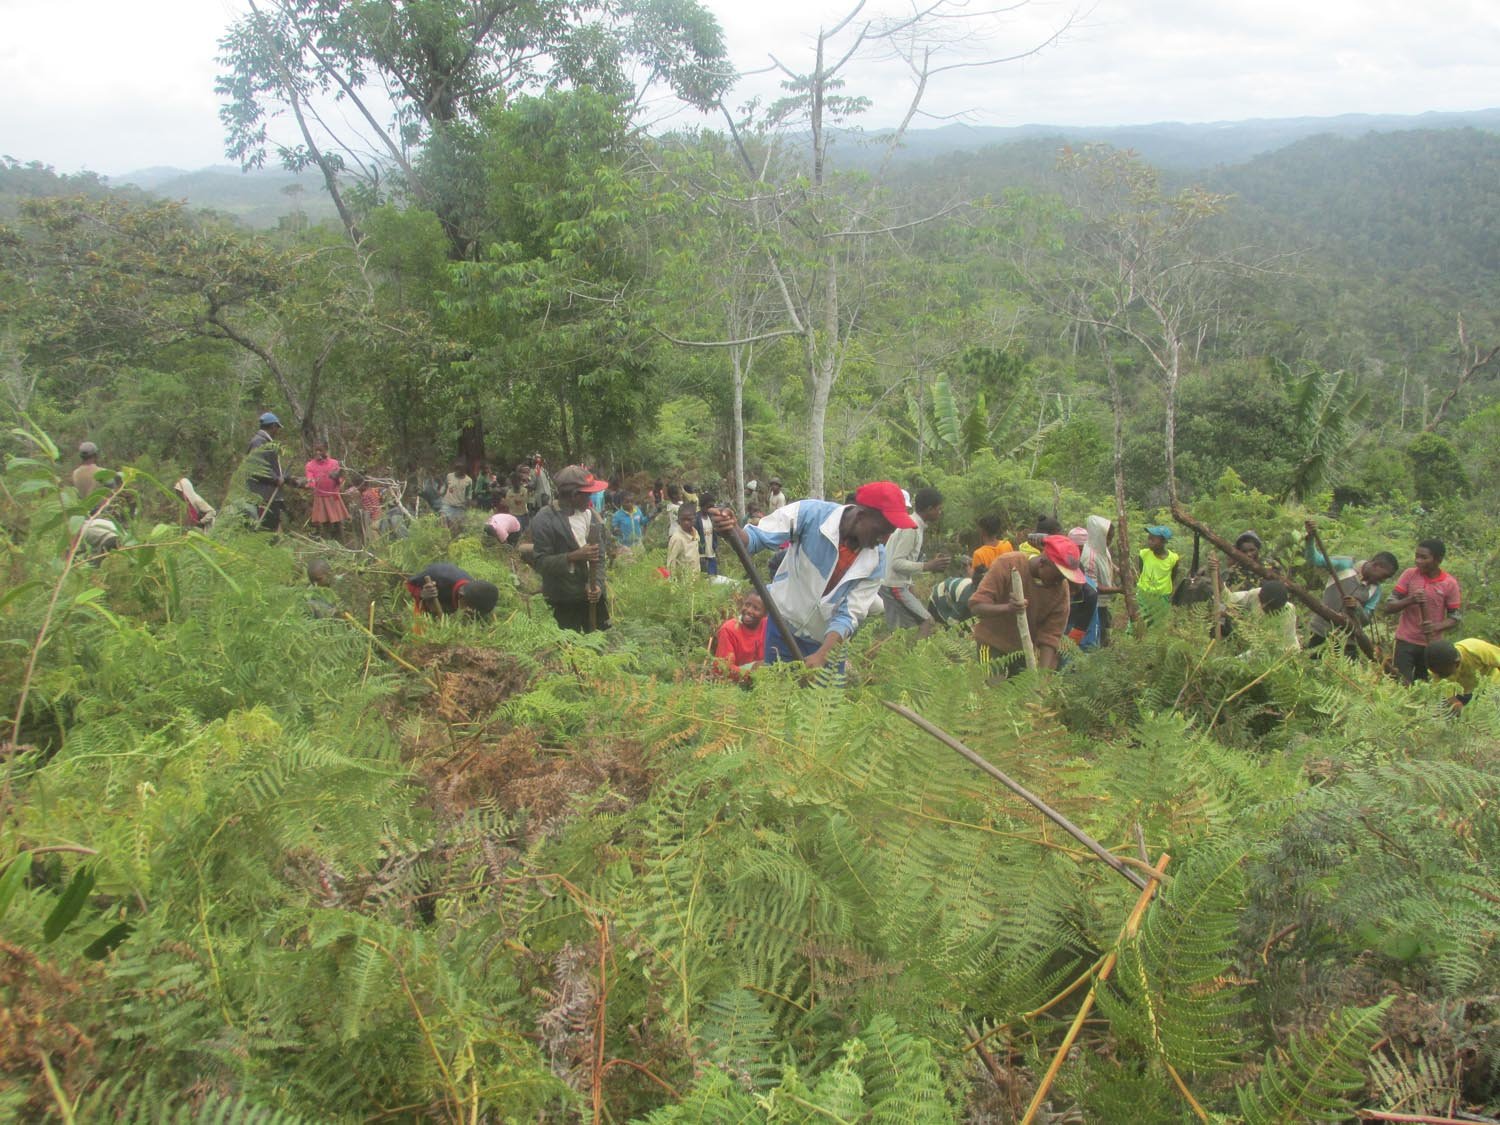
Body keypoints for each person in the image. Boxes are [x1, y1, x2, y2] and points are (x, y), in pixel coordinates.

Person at [708, 481, 913, 669]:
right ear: (861, 516)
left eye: (890, 533)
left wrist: (822, 655)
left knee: (822, 705)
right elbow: (755, 538)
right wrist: (732, 528)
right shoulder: (809, 514)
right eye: (882, 530)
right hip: (782, 628)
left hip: (828, 643)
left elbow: (850, 614)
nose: (885, 539)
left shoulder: (876, 559)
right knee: (777, 695)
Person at [968, 535, 1085, 674]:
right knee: (993, 692)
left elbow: (1051, 636)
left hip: (1024, 651)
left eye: (1064, 578)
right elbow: (976, 606)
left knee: (1025, 692)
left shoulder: (1061, 589)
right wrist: (1008, 608)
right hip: (989, 644)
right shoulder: (1008, 564)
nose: (1060, 582)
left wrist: (1042, 676)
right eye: (1058, 576)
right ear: (1042, 563)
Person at [530, 464, 611, 632]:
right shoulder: (544, 520)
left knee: (599, 644)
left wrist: (596, 584)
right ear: (574, 495)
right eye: (587, 494)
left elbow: (600, 556)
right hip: (564, 600)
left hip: (593, 599)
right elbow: (540, 563)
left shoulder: (591, 515)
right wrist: (573, 556)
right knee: (571, 650)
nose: (590, 499)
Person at [1303, 522, 1397, 659]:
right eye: (1385, 576)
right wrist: (1310, 539)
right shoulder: (1344, 565)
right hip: (1321, 630)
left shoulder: (1375, 590)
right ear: (1376, 565)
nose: (1384, 580)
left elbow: (1366, 620)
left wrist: (1357, 607)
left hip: (1347, 639)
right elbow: (1314, 560)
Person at [1382, 539, 1462, 683]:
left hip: (1431, 646)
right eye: (1417, 556)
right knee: (1400, 683)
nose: (1418, 561)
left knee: (1424, 685)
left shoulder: (1449, 584)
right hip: (1405, 641)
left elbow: (1455, 618)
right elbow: (1389, 606)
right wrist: (1410, 600)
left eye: (1424, 557)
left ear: (1438, 559)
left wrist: (1435, 627)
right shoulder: (1409, 574)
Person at [880, 487, 951, 633]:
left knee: (901, 631)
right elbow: (897, 563)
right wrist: (928, 566)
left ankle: (903, 654)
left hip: (894, 584)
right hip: (894, 585)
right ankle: (916, 655)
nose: (940, 512)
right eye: (938, 509)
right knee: (926, 622)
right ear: (929, 509)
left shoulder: (914, 525)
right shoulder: (911, 528)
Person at [1426, 638, 1500, 713]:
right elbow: (1448, 695)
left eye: (1444, 674)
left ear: (1457, 663)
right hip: (1467, 692)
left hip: (1493, 685)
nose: (1440, 676)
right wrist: (1459, 707)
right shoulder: (1437, 670)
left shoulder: (1475, 649)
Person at [404, 563, 500, 618]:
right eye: (469, 611)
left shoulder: (475, 592)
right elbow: (407, 586)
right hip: (425, 602)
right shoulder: (438, 577)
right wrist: (421, 594)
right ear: (461, 596)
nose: (469, 616)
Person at [1226, 580, 1299, 651]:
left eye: (1271, 608)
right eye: (1262, 602)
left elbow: (1268, 648)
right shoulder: (1257, 594)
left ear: (1280, 607)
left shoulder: (1287, 613)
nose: (1264, 607)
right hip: (1253, 646)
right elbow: (1230, 598)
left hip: (1283, 653)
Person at [246, 412, 290, 531]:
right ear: (273, 426)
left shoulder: (265, 442)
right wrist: (276, 479)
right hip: (263, 495)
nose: (277, 431)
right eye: (277, 428)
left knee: (274, 526)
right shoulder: (258, 442)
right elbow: (257, 466)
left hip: (270, 493)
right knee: (267, 529)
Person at [713, 593, 769, 680]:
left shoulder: (767, 624)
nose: (749, 610)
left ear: (765, 614)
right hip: (734, 679)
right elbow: (723, 667)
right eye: (747, 605)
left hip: (760, 674)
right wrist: (752, 676)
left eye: (756, 608)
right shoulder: (729, 629)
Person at [304, 441, 349, 540]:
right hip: (320, 498)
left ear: (326, 450)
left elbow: (341, 479)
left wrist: (337, 479)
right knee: (325, 525)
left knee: (338, 523)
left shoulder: (334, 463)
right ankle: (328, 546)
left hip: (334, 497)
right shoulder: (310, 465)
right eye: (316, 450)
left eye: (320, 450)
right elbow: (310, 479)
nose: (318, 453)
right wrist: (311, 484)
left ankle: (342, 544)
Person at [1136, 525, 1180, 626]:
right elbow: (1142, 571)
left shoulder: (1173, 558)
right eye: (1149, 538)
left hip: (1162, 598)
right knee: (1138, 624)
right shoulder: (1144, 554)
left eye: (1153, 539)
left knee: (1158, 627)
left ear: (1163, 541)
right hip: (1144, 596)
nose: (1149, 541)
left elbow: (1173, 575)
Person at [666, 504, 700, 580]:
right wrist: (673, 585)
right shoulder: (677, 538)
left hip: (695, 578)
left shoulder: (695, 533)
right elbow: (671, 563)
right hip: (683, 582)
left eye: (689, 519)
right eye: (683, 519)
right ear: (678, 520)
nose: (686, 522)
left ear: (695, 519)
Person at [440, 461, 471, 528]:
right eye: (458, 470)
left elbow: (468, 494)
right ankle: (444, 537)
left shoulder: (468, 480)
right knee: (444, 523)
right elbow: (445, 486)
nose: (459, 472)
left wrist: (468, 503)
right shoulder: (449, 476)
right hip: (447, 504)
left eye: (462, 470)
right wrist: (441, 492)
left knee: (455, 527)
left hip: (459, 506)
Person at [695, 492, 719, 576]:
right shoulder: (696, 518)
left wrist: (716, 547)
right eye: (708, 506)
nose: (710, 508)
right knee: (704, 577)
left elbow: (715, 534)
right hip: (701, 554)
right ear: (702, 505)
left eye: (712, 506)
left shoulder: (711, 517)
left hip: (711, 552)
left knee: (713, 576)